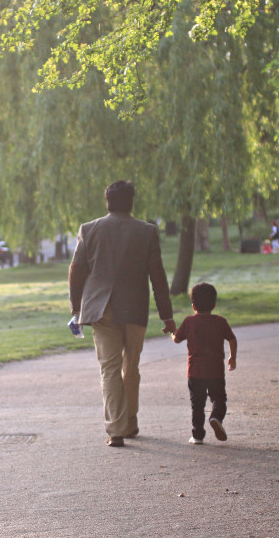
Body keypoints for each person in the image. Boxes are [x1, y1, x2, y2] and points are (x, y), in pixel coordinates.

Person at [68, 180, 176, 447]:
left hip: (101, 308)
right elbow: (158, 276)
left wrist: (76, 308)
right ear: (131, 202)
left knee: (110, 368)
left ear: (108, 202)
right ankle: (130, 422)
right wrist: (167, 316)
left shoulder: (89, 229)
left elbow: (76, 270)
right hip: (135, 307)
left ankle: (116, 429)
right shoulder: (147, 231)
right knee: (131, 366)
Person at [172, 282, 237, 444]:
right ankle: (216, 417)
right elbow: (232, 339)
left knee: (197, 404)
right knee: (219, 399)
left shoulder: (189, 322)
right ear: (214, 305)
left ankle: (198, 435)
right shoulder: (220, 321)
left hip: (195, 371)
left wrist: (172, 331)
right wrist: (232, 357)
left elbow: (177, 340)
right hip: (215, 370)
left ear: (193, 305)